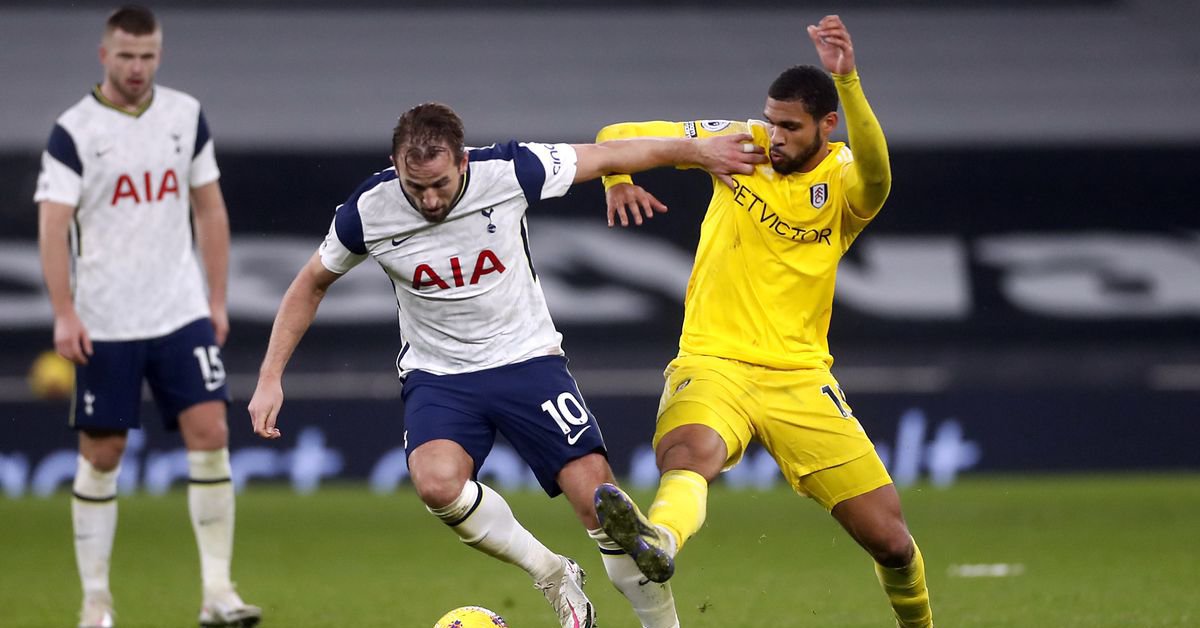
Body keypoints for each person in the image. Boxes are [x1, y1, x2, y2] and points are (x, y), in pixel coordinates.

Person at [246, 102, 764, 628]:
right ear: (394, 164)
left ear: (463, 162)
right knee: (436, 483)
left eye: (440, 185)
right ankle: (553, 573)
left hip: (526, 362)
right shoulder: (368, 210)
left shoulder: (510, 170)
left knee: (602, 505)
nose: (428, 199)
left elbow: (607, 152)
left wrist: (696, 152)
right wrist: (270, 377)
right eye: (414, 185)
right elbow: (310, 282)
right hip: (439, 374)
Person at [591, 15, 935, 628]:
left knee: (890, 539)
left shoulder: (845, 185)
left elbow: (879, 174)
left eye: (789, 126)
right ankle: (660, 543)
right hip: (713, 360)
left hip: (799, 378)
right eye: (770, 120)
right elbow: (617, 132)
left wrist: (848, 80)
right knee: (686, 452)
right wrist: (619, 174)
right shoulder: (739, 143)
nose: (772, 136)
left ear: (828, 125)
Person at [34, 6, 261, 628]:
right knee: (103, 452)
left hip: (179, 311)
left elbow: (209, 211)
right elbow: (53, 226)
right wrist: (64, 312)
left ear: (159, 55)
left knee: (211, 433)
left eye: (148, 56)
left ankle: (218, 592)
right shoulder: (74, 130)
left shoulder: (184, 116)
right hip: (105, 320)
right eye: (127, 56)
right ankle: (96, 603)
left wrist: (215, 300)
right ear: (104, 56)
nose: (138, 68)